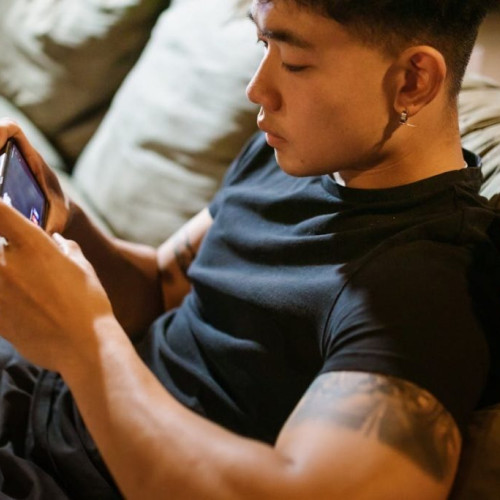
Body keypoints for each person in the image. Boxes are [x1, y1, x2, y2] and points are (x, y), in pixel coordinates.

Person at [0, 0, 499, 498]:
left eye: (294, 62)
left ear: (413, 81)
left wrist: (86, 344)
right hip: (34, 395)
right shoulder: (296, 152)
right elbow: (158, 288)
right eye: (263, 44)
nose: (256, 89)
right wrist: (67, 222)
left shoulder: (429, 290)